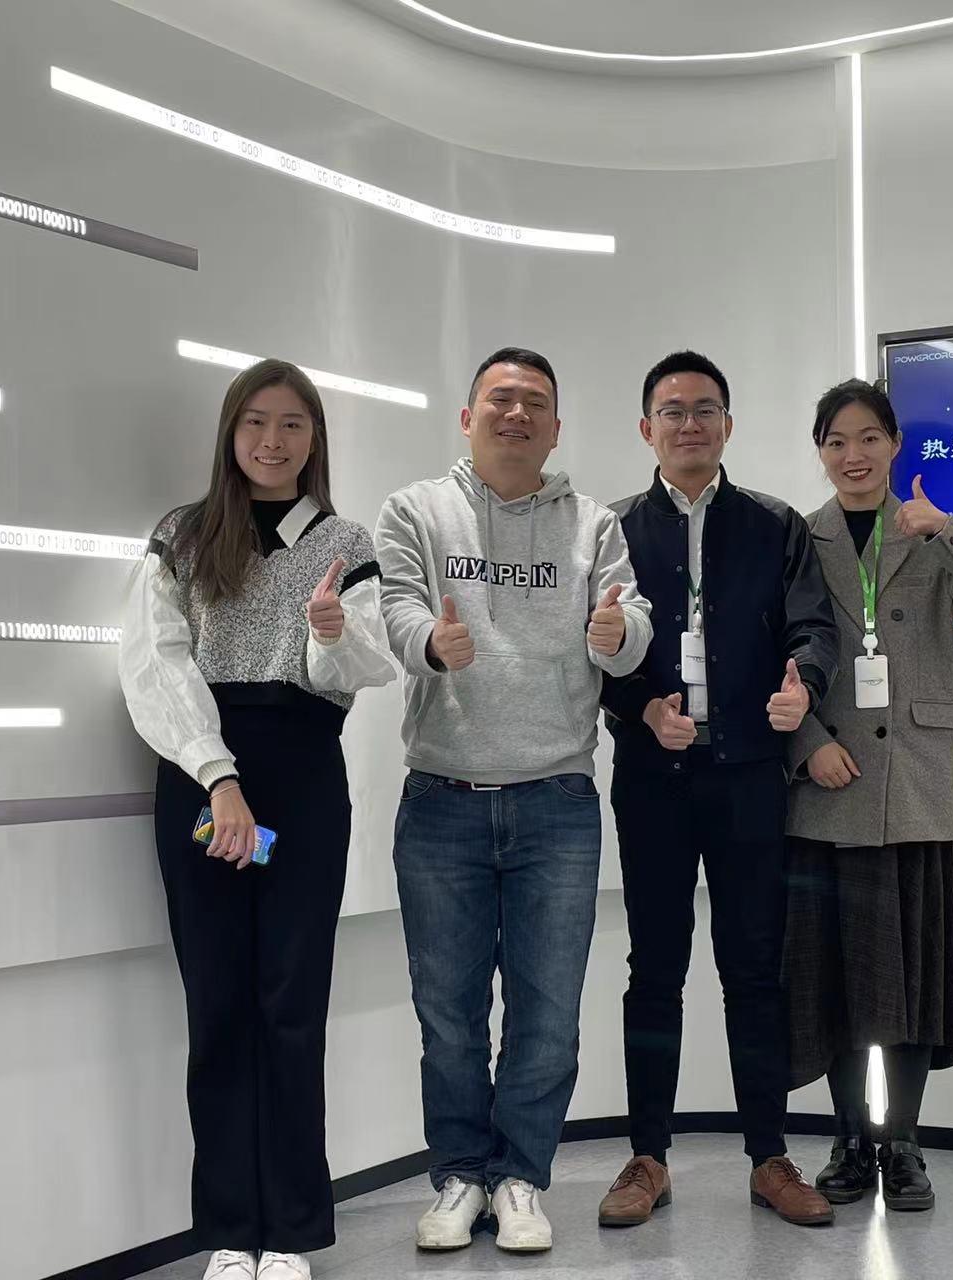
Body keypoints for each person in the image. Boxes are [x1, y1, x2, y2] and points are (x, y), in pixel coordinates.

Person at [119, 359, 398, 1280]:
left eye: (291, 425)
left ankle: (290, 1234)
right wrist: (216, 774)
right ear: (229, 433)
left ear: (314, 439)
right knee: (218, 1005)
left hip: (303, 780)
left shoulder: (343, 540)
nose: (272, 442)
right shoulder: (184, 534)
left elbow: (364, 667)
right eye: (255, 423)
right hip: (205, 780)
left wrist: (328, 631)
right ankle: (229, 1233)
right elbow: (154, 663)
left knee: (290, 1005)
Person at [373, 347, 651, 1255]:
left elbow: (632, 623)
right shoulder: (415, 510)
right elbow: (396, 606)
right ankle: (459, 1177)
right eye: (500, 399)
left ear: (555, 428)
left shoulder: (593, 523)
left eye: (535, 403)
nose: (517, 413)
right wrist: (429, 643)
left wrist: (617, 632)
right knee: (447, 1014)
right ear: (468, 417)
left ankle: (521, 1178)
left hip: (556, 800)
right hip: (441, 798)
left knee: (547, 1013)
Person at [596, 351, 840, 1230]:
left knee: (753, 968)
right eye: (672, 411)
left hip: (747, 777)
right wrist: (636, 707)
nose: (689, 424)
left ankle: (769, 1156)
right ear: (646, 428)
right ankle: (646, 1158)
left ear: (727, 426)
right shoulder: (613, 530)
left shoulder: (774, 525)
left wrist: (804, 685)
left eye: (705, 410)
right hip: (652, 780)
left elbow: (814, 629)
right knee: (653, 968)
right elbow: (591, 648)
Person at [783, 378, 953, 1213]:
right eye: (835, 441)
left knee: (909, 981)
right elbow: (770, 654)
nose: (852, 455)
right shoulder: (797, 537)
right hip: (828, 783)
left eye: (867, 438)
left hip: (914, 783)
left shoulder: (926, 530)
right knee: (836, 981)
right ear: (819, 451)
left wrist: (947, 529)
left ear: (893, 445)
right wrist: (807, 745)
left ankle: (903, 1144)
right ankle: (850, 1141)